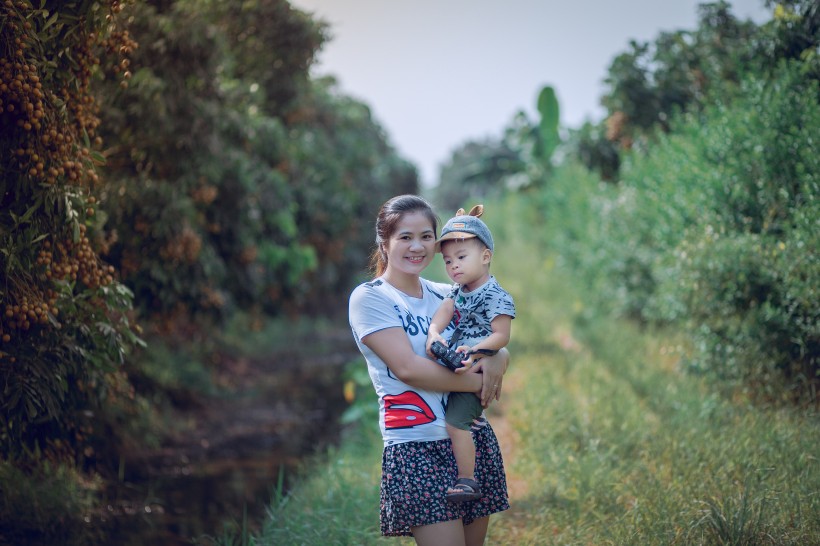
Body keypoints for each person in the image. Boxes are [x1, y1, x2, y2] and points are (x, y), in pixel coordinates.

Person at [348, 195, 510, 544]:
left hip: (471, 438)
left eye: (426, 236)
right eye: (405, 237)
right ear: (384, 242)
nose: (417, 246)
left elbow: (490, 340)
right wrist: (478, 383)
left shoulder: (448, 295)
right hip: (418, 448)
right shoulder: (372, 298)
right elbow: (408, 369)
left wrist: (501, 356)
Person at [425, 205, 515, 504]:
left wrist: (476, 351)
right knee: (461, 420)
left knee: (456, 423)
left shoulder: (495, 294)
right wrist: (435, 333)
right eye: (449, 261)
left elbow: (501, 335)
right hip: (461, 360)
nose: (454, 266)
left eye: (461, 258)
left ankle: (468, 480)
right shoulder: (457, 291)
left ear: (486, 257)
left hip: (476, 364)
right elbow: (445, 311)